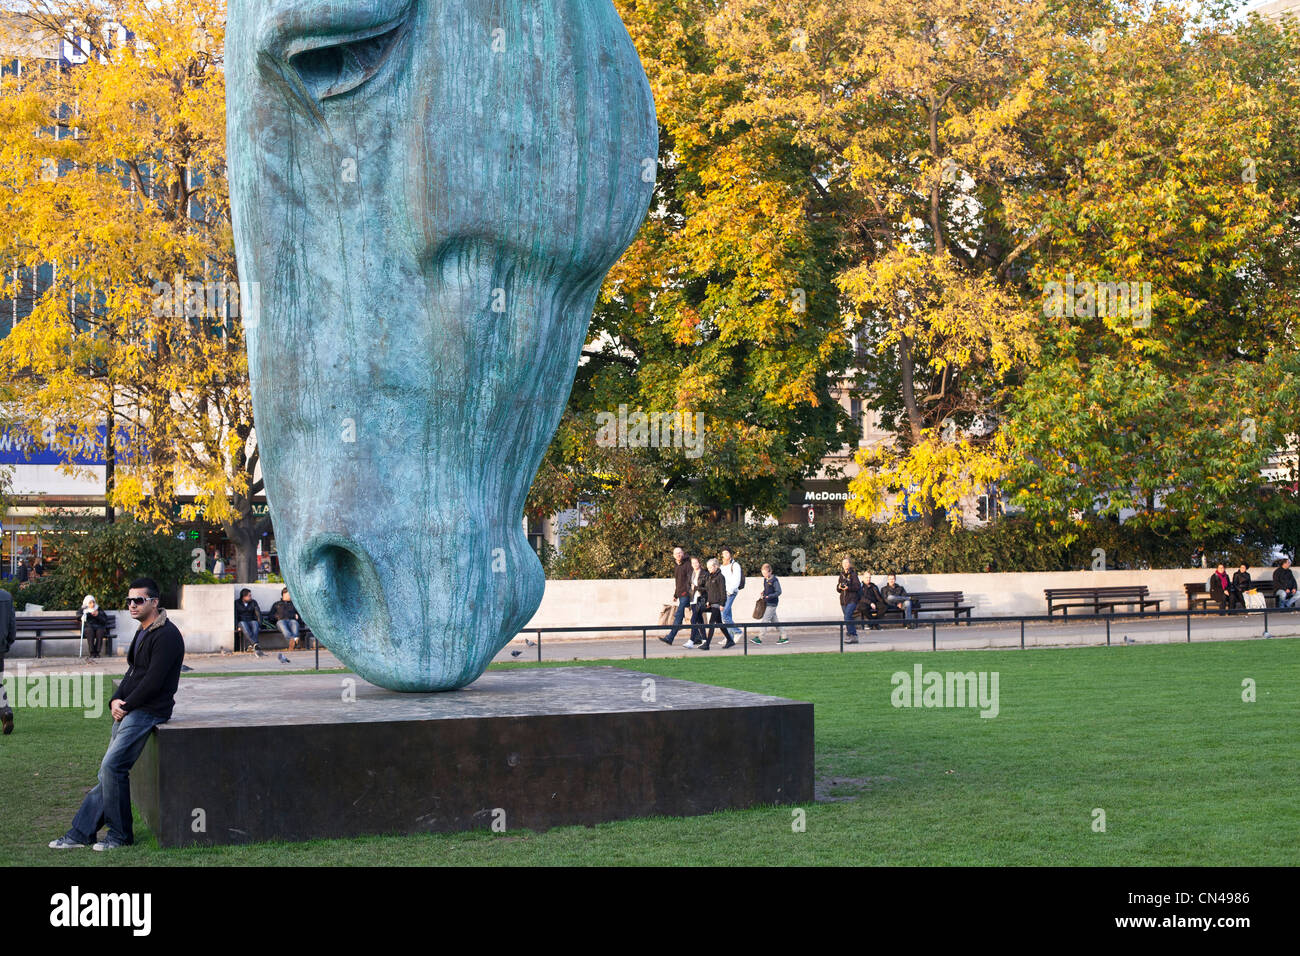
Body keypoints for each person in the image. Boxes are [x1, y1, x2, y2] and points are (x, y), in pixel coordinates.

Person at [49, 577, 185, 850]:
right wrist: (115, 699)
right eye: (129, 601)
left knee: (113, 768)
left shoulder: (167, 636)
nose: (132, 605)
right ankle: (81, 833)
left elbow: (154, 682)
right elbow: (133, 673)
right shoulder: (144, 631)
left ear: (155, 602)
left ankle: (120, 836)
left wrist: (127, 705)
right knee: (107, 774)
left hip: (149, 711)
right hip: (132, 708)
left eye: (139, 600)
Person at [659, 546, 694, 646]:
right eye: (676, 553)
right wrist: (675, 594)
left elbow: (690, 580)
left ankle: (670, 637)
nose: (678, 555)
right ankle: (698, 637)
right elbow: (678, 582)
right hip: (681, 594)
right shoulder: (677, 566)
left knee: (679, 615)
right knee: (695, 617)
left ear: (683, 553)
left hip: (686, 594)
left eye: (680, 553)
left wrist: (685, 592)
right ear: (674, 556)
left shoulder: (687, 564)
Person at [695, 557, 731, 650]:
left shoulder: (720, 577)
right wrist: (708, 601)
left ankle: (707, 644)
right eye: (708, 568)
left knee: (712, 623)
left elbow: (723, 591)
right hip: (711, 603)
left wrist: (722, 604)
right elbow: (710, 591)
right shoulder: (710, 576)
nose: (709, 569)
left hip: (717, 604)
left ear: (715, 566)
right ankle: (730, 640)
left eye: (710, 567)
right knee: (718, 622)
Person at [752, 563, 789, 644]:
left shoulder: (774, 580)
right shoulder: (765, 579)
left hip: (772, 603)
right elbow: (767, 589)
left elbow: (779, 592)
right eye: (763, 574)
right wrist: (763, 592)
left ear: (770, 572)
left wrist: (770, 596)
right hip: (766, 602)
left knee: (765, 620)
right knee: (775, 622)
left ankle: (760, 638)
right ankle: (784, 636)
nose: (764, 575)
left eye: (765, 573)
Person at [719, 548, 743, 645]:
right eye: (723, 553)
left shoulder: (735, 565)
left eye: (727, 553)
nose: (725, 555)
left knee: (724, 614)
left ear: (730, 554)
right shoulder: (721, 566)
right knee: (726, 615)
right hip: (723, 593)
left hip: (731, 592)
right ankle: (729, 637)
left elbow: (736, 579)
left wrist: (730, 591)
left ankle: (737, 632)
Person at [683, 556, 707, 649]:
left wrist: (696, 588)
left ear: (699, 563)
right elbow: (688, 586)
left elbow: (707, 588)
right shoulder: (691, 573)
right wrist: (690, 591)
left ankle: (691, 641)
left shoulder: (705, 573)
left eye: (696, 563)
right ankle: (705, 640)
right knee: (699, 620)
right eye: (693, 563)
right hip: (693, 599)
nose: (695, 565)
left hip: (701, 599)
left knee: (693, 620)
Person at [837, 557, 862, 643]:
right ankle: (853, 636)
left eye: (846, 563)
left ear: (849, 564)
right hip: (843, 600)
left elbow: (857, 587)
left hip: (852, 599)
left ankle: (852, 635)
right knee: (848, 618)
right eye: (843, 563)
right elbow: (838, 589)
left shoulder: (853, 574)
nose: (845, 565)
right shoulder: (841, 575)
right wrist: (839, 587)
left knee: (847, 617)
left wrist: (849, 588)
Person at [1, 584, 15, 735]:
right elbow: (12, 623)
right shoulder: (6, 596)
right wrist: (8, 642)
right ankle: (5, 711)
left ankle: (5, 712)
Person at [80, 595, 112, 660]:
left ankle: (97, 652)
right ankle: (92, 652)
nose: (93, 604)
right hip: (88, 628)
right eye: (90, 603)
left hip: (98, 627)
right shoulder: (83, 609)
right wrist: (89, 614)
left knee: (100, 631)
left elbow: (104, 620)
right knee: (90, 631)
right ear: (86, 603)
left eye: (93, 602)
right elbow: (78, 617)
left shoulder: (98, 609)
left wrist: (97, 615)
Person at [235, 588, 264, 653]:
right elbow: (235, 616)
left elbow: (258, 614)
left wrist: (259, 624)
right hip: (241, 621)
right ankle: (255, 644)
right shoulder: (237, 603)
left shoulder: (253, 602)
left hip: (251, 620)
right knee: (243, 624)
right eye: (249, 596)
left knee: (255, 623)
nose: (251, 597)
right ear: (244, 596)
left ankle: (251, 646)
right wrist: (237, 626)